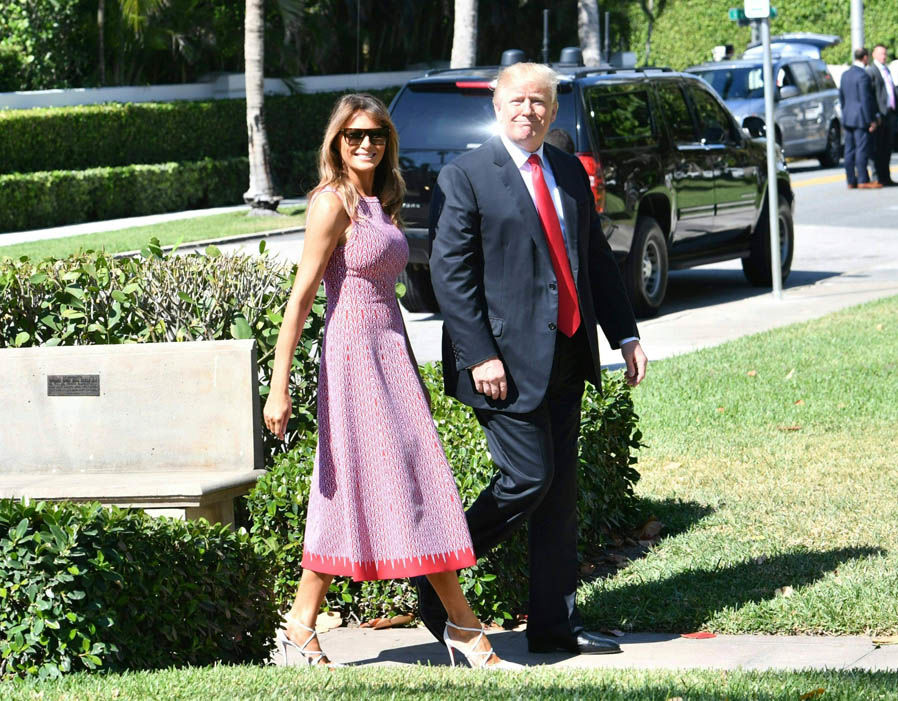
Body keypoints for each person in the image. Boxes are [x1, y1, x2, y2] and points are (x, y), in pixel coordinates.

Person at [262, 93, 519, 670]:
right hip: (351, 359)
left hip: (389, 357)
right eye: (353, 135)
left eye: (375, 135)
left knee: (395, 483)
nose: (365, 144)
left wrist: (410, 373)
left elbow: (387, 297)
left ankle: (301, 628)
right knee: (392, 484)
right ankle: (463, 627)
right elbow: (301, 300)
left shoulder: (382, 201)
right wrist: (279, 387)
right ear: (337, 142)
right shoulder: (333, 203)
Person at [416, 62, 648, 656]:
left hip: (568, 351)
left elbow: (594, 258)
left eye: (540, 102)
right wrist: (479, 357)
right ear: (497, 104)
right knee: (528, 479)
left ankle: (554, 628)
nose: (529, 111)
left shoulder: (567, 169)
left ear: (553, 107)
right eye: (518, 100)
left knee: (559, 494)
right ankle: (432, 571)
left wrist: (625, 335)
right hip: (501, 365)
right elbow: (452, 275)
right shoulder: (466, 175)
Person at [840, 48, 880, 190]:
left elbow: (842, 98)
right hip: (860, 117)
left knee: (849, 150)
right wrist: (871, 120)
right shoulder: (863, 75)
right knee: (861, 148)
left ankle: (851, 180)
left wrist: (844, 114)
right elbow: (865, 100)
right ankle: (863, 179)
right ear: (865, 57)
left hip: (848, 117)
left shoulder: (845, 75)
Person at [865, 44, 896, 186]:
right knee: (878, 148)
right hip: (879, 115)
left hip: (890, 113)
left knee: (887, 148)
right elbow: (870, 95)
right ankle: (877, 176)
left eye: (885, 53)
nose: (884, 56)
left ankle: (886, 176)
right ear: (874, 55)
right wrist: (874, 115)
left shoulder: (886, 70)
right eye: (881, 53)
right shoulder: (871, 71)